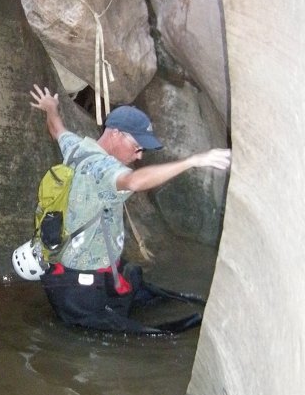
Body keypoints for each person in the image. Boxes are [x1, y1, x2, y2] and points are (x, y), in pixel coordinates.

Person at [28, 84, 232, 333]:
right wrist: (192, 161)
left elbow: (57, 129)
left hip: (85, 275)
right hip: (81, 294)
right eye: (137, 147)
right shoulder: (104, 170)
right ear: (115, 134)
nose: (138, 156)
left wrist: (51, 107)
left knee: (148, 288)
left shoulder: (79, 149)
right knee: (162, 337)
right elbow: (134, 181)